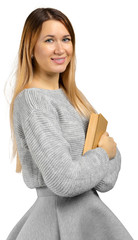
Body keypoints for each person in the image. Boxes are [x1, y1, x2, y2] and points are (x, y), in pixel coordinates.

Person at [6, 7, 133, 240]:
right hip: (56, 222)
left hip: (88, 213)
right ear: (30, 49)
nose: (60, 48)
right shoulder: (33, 101)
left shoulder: (73, 98)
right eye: (49, 40)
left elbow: (107, 179)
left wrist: (100, 159)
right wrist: (103, 154)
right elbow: (64, 180)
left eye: (66, 39)